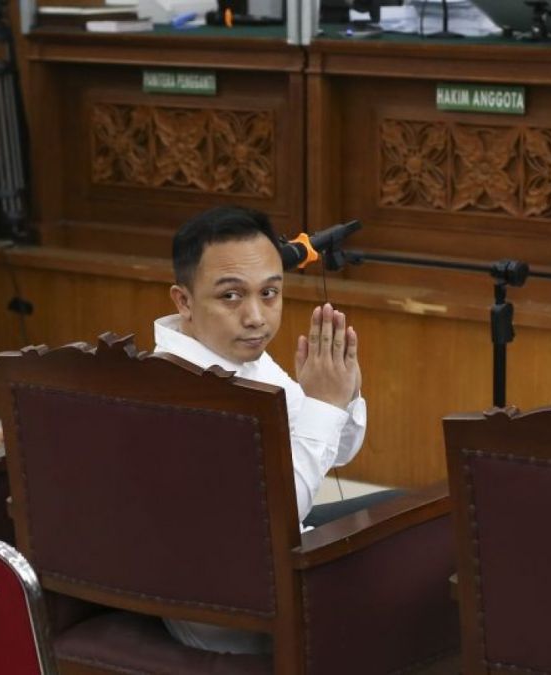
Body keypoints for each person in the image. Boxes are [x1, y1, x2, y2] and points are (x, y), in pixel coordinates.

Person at [154, 206, 394, 654]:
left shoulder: (232, 353)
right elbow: (269, 517)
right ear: (183, 301)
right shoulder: (187, 388)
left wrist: (340, 394)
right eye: (231, 296)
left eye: (269, 293)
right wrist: (322, 406)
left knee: (414, 515)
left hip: (263, 568)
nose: (256, 317)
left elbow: (335, 455)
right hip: (235, 613)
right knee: (426, 554)